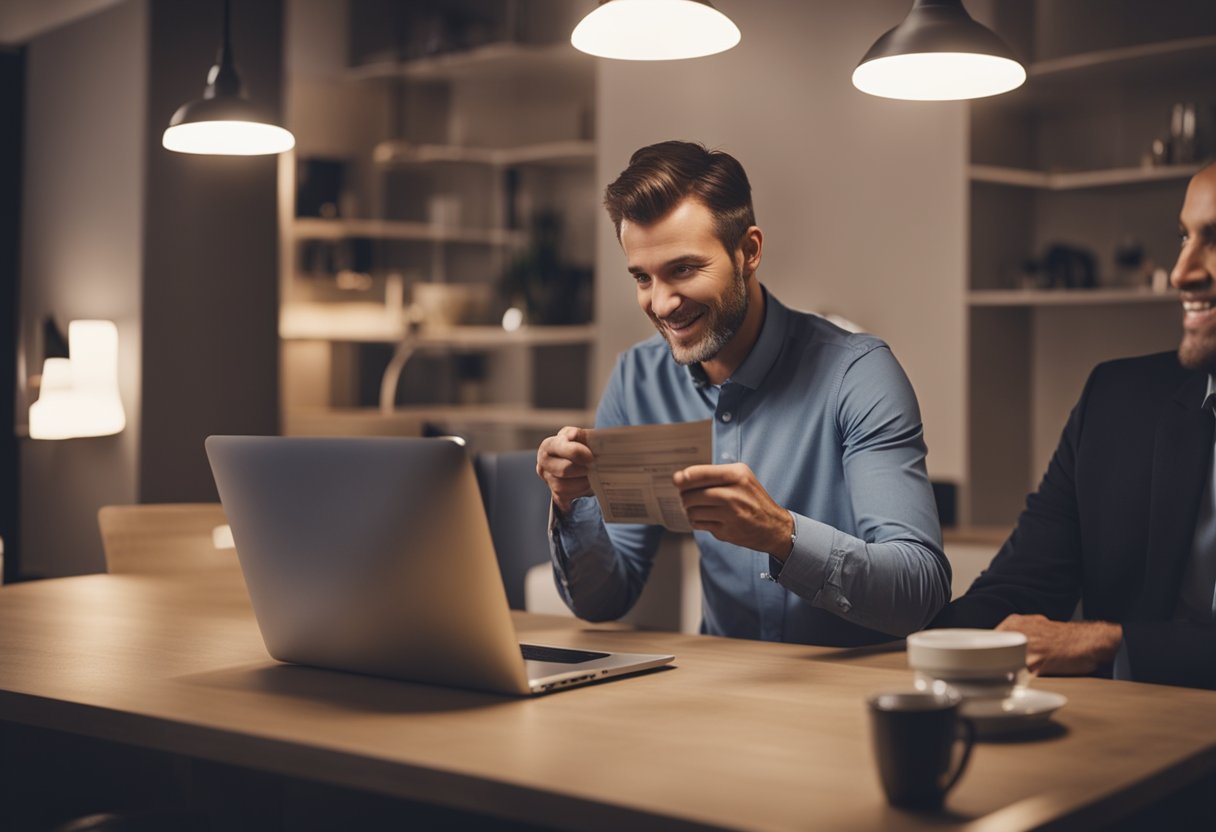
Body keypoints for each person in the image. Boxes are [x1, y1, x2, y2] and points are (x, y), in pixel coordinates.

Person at [535, 140, 949, 646]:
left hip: (852, 694)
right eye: (642, 277)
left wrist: (782, 536)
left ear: (748, 251)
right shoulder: (637, 380)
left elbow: (921, 589)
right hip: (718, 693)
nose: (662, 303)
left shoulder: (858, 374)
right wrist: (572, 501)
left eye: (684, 269)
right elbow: (604, 600)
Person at [934, 162, 1216, 690]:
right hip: (1127, 743)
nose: (1182, 272)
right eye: (1185, 237)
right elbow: (1022, 584)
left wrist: (1109, 644)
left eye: (1215, 240)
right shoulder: (1115, 401)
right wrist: (922, 640)